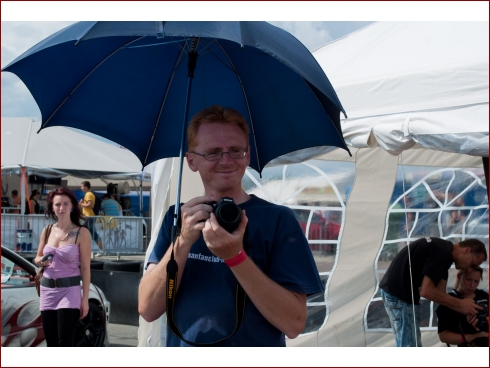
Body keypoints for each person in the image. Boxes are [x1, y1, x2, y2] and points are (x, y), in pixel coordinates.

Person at [139, 105, 323, 347]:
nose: (226, 160)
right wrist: (182, 242)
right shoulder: (178, 217)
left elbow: (294, 323)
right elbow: (148, 308)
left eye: (235, 150)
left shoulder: (278, 220)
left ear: (247, 156)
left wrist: (236, 258)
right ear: (191, 161)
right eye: (213, 152)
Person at [379, 237, 487, 347]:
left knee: (410, 344)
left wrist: (466, 311)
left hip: (399, 293)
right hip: (400, 295)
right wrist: (461, 304)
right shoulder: (443, 253)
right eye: (473, 264)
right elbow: (426, 291)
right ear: (467, 250)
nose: (470, 269)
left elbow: (440, 295)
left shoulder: (444, 251)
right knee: (410, 346)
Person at [34, 187, 91, 347]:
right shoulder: (47, 231)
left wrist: (84, 299)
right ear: (52, 207)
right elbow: (37, 257)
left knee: (64, 344)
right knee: (51, 344)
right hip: (47, 292)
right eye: (57, 204)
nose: (62, 208)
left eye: (66, 204)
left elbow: (86, 268)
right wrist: (40, 261)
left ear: (72, 205)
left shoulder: (82, 233)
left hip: (69, 292)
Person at [436, 267, 488, 347]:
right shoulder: (449, 301)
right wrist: (473, 337)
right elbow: (443, 336)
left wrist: (484, 319)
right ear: (459, 277)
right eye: (468, 280)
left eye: (476, 281)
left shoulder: (484, 296)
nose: (472, 285)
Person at [79, 181, 104, 256]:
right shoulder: (88, 194)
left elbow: (91, 205)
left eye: (82, 186)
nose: (81, 188)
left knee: (93, 234)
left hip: (89, 217)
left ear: (86, 187)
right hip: (87, 217)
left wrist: (81, 204)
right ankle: (86, 250)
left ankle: (101, 250)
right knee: (86, 233)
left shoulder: (89, 194)